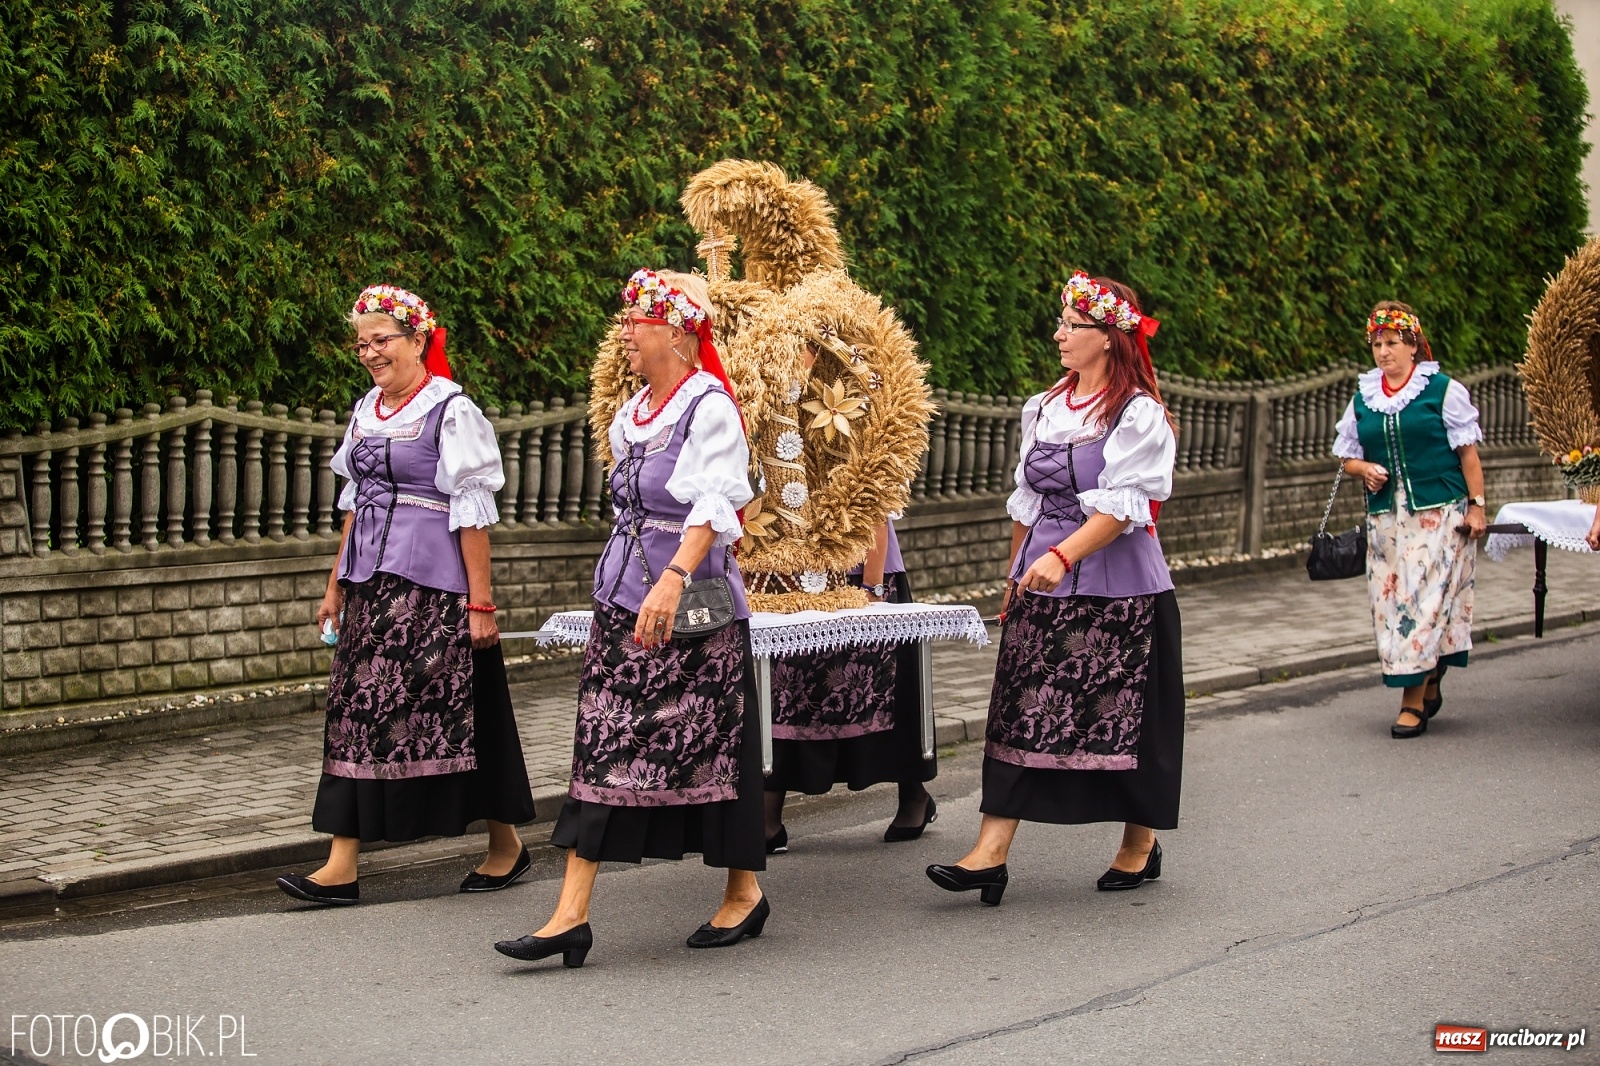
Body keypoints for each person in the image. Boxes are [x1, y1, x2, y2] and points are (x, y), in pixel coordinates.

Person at [494, 270, 766, 969]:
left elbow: (719, 504)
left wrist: (674, 578)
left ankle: (743, 891)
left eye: (636, 322)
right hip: (623, 600)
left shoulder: (709, 406)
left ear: (674, 333)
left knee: (711, 749)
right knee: (602, 744)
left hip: (692, 610)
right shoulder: (634, 409)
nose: (624, 331)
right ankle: (569, 915)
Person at [926, 273, 1183, 905]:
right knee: (1019, 705)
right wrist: (1018, 568)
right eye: (1062, 321)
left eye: (1072, 324)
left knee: (1126, 716)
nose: (1059, 333)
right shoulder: (1042, 407)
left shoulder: (1138, 414)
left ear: (1109, 339)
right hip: (1045, 581)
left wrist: (1063, 556)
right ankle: (990, 852)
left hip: (1121, 590)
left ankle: (1138, 843)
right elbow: (1029, 498)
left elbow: (1125, 507)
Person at [276, 284, 535, 906]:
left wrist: (480, 603)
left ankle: (505, 845)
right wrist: (335, 583)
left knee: (459, 715)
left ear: (418, 339)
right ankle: (341, 863)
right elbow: (353, 505)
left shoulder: (450, 410)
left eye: (382, 340)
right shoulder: (366, 409)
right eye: (362, 343)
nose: (369, 353)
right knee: (356, 712)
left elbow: (473, 512)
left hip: (433, 591)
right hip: (370, 587)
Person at [1332, 302, 1486, 738]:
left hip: (1438, 515)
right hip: (1386, 523)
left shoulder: (1441, 390)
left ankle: (1411, 701)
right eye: (1377, 344)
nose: (1383, 352)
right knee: (1389, 605)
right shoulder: (1364, 397)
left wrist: (1477, 506)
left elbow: (1468, 455)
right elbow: (1347, 456)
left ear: (1413, 345)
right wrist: (1363, 470)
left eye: (1392, 343)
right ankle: (1429, 672)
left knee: (1420, 603)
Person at [763, 515, 937, 853]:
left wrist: (873, 587)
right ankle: (768, 815)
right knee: (789, 690)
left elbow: (877, 502)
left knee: (887, 691)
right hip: (797, 577)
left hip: (865, 576)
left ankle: (914, 796)